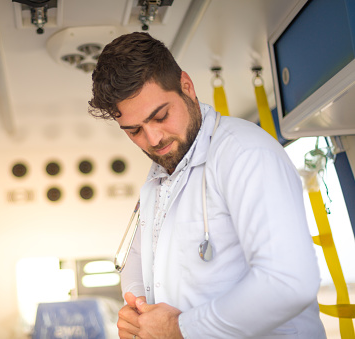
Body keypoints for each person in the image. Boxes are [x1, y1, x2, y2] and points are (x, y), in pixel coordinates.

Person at [88, 32, 326, 339]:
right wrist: (139, 311)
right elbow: (139, 257)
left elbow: (289, 281)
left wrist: (177, 328)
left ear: (186, 86)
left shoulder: (244, 152)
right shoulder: (160, 174)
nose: (153, 139)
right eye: (134, 131)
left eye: (160, 116)